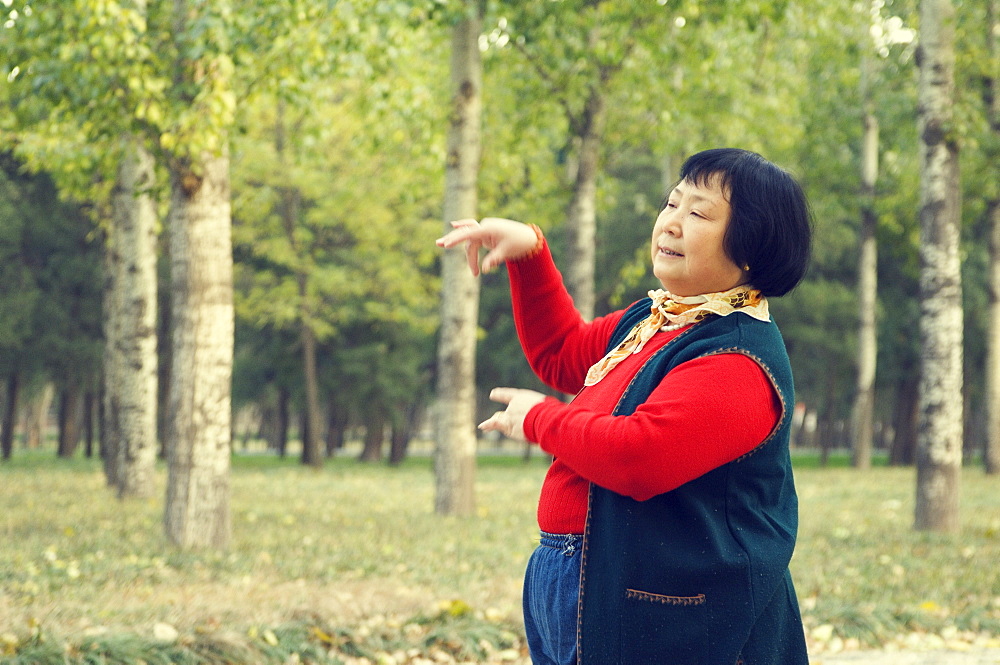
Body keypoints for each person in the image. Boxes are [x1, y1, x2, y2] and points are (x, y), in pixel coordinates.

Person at [436, 147, 812, 665]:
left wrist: (539, 418)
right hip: (578, 575)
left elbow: (639, 457)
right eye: (672, 203)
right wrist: (528, 255)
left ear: (752, 249)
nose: (672, 223)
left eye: (698, 213)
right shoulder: (655, 320)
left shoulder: (738, 361)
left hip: (662, 607)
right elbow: (564, 354)